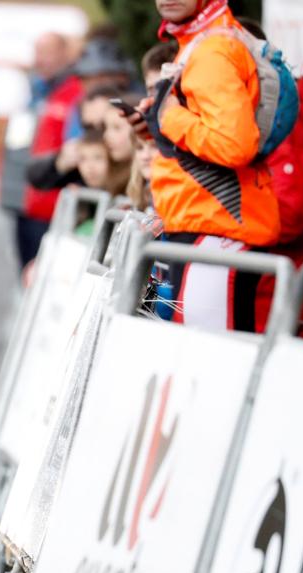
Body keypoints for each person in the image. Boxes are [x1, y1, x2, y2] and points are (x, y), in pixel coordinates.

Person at [127, 0, 280, 332]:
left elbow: (235, 145)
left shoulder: (213, 50)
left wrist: (170, 116)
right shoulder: (198, 44)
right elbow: (202, 137)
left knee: (213, 363)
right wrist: (157, 126)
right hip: (202, 224)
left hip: (217, 230)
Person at [1, 32, 83, 269]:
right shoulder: (32, 92)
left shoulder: (74, 92)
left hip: (54, 206)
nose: (41, 59)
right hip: (25, 201)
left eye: (47, 52)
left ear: (64, 54)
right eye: (37, 52)